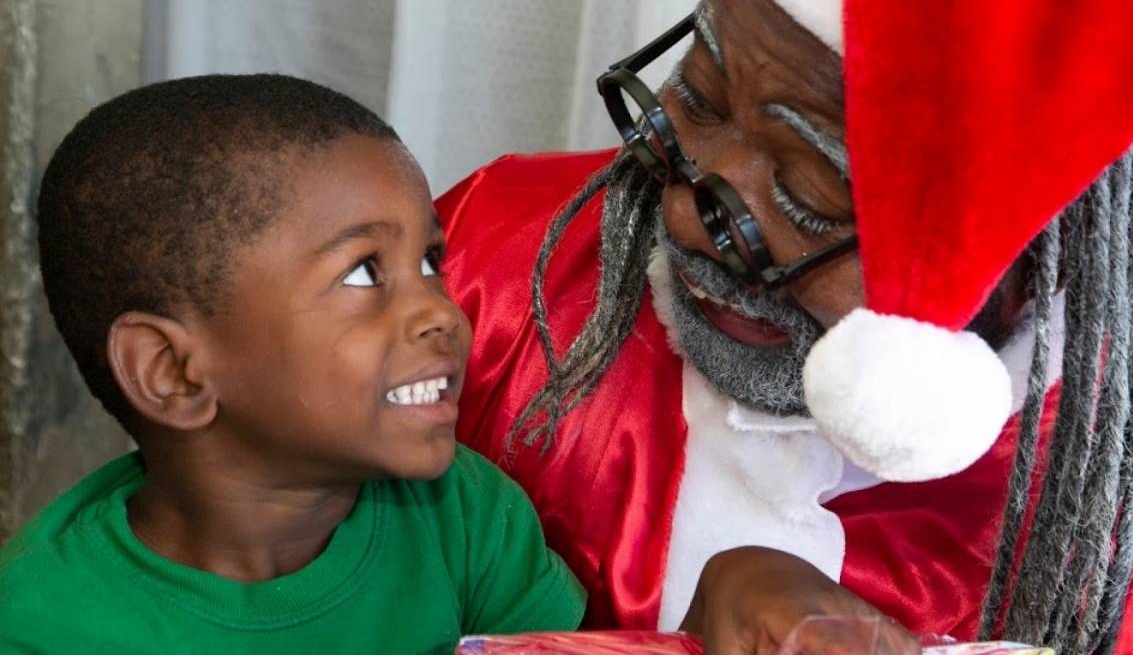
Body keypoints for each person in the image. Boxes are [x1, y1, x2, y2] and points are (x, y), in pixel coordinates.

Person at [0, 74, 903, 654]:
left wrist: (732, 582)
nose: (439, 307)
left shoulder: (463, 515)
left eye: (430, 259)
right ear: (174, 373)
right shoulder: (43, 622)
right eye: (364, 272)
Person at [435, 0, 1133, 653]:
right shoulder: (476, 273)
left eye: (810, 188)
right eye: (696, 103)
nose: (689, 216)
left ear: (1056, 250)